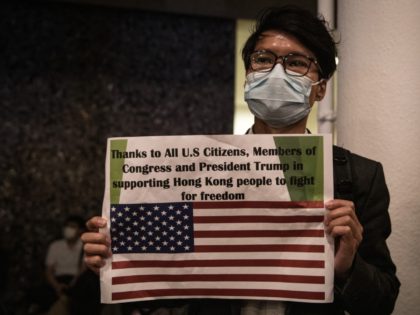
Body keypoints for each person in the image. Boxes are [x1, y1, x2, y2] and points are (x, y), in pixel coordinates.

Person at [81, 5, 400, 315]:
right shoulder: (193, 166)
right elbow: (162, 296)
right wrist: (118, 265)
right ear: (248, 75)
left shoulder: (358, 176)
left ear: (320, 89)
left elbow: (382, 303)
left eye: (298, 63)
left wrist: (347, 267)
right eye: (263, 59)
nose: (277, 71)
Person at [28, 215, 85, 314]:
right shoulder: (55, 246)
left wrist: (72, 284)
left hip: (76, 281)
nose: (68, 229)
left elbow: (84, 269)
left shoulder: (84, 246)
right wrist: (57, 286)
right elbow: (49, 270)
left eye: (73, 227)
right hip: (58, 280)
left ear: (80, 230)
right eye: (67, 226)